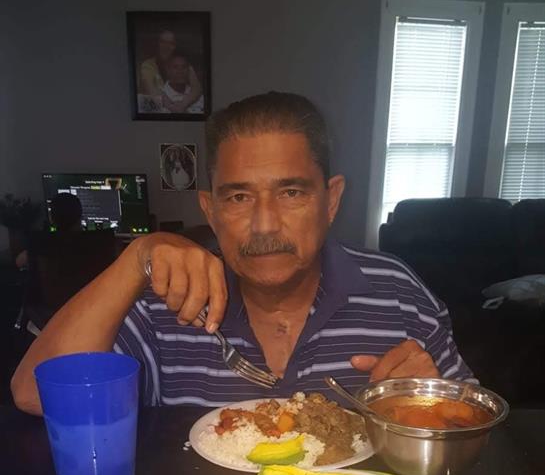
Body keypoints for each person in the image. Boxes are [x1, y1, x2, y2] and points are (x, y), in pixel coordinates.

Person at [11, 91, 473, 415]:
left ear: (330, 201)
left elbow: (472, 424)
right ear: (210, 211)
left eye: (291, 192)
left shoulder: (398, 293)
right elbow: (33, 394)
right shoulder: (163, 302)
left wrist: (428, 403)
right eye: (238, 197)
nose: (265, 223)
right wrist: (137, 257)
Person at [161, 50, 204, 115]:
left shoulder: (198, 96)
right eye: (175, 67)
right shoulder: (160, 94)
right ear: (168, 70)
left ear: (189, 70)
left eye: (184, 67)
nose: (180, 71)